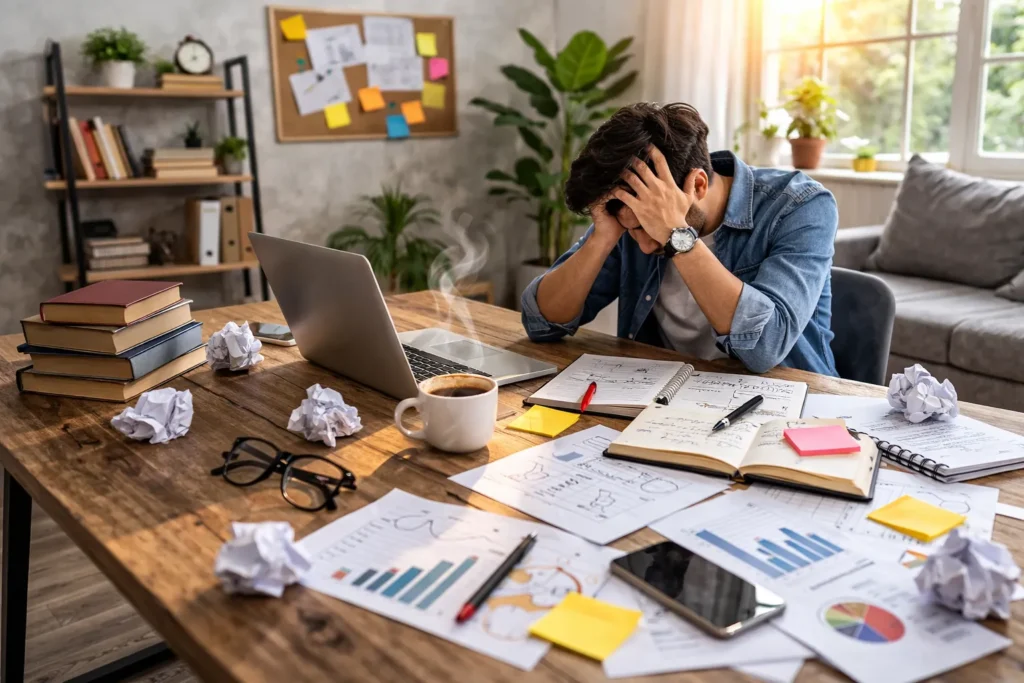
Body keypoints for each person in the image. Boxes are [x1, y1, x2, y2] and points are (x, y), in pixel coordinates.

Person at [521, 102, 839, 375]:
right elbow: (541, 323)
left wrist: (676, 235)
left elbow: (765, 346)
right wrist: (603, 237)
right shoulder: (634, 213)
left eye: (648, 228)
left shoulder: (800, 206)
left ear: (698, 186)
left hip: (787, 410)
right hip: (669, 401)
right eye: (632, 230)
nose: (642, 245)